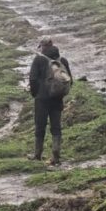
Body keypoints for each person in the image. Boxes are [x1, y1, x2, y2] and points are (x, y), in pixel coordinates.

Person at [28, 37, 72, 166]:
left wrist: (35, 94)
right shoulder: (62, 60)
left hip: (42, 99)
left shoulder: (39, 60)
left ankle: (37, 154)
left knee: (40, 126)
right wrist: (60, 93)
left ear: (42, 46)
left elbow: (33, 79)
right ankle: (56, 155)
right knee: (56, 127)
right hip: (57, 99)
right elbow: (69, 80)